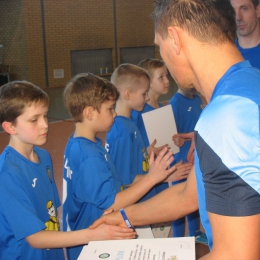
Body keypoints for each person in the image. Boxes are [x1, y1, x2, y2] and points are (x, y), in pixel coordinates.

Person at [90, 0, 260, 259]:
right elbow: (187, 194)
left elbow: (237, 254)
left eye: (160, 47)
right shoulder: (247, 84)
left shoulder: (227, 117)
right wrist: (124, 216)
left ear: (175, 38)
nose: (164, 58)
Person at [0, 81, 136, 260]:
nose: (45, 124)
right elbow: (35, 238)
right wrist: (93, 234)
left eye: (45, 116)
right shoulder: (7, 174)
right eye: (34, 120)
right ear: (10, 127)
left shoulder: (43, 156)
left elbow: (51, 215)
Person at [62, 73, 178, 260]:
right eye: (109, 109)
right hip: (93, 244)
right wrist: (152, 178)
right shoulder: (88, 155)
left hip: (97, 237)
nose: (115, 114)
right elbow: (113, 202)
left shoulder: (80, 144)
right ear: (89, 113)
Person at [106, 64, 191, 202]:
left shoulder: (128, 122)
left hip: (142, 196)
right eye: (143, 94)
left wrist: (147, 151)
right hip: (136, 201)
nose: (147, 98)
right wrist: (166, 176)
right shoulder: (122, 131)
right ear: (127, 94)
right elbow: (124, 178)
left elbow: (128, 160)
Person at [130, 59, 192, 194]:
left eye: (167, 76)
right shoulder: (138, 112)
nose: (167, 81)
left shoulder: (162, 108)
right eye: (161, 77)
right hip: (145, 177)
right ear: (148, 82)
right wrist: (147, 151)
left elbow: (167, 145)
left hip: (162, 175)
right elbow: (132, 150)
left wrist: (178, 142)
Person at [169, 85, 207, 243]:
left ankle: (195, 232)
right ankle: (177, 239)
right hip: (182, 162)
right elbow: (171, 136)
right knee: (180, 200)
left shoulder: (198, 99)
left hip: (197, 158)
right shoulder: (174, 104)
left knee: (195, 196)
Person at [231, 0, 260, 69]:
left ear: (258, 11)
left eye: (244, 9)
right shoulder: (226, 55)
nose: (238, 17)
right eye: (232, 11)